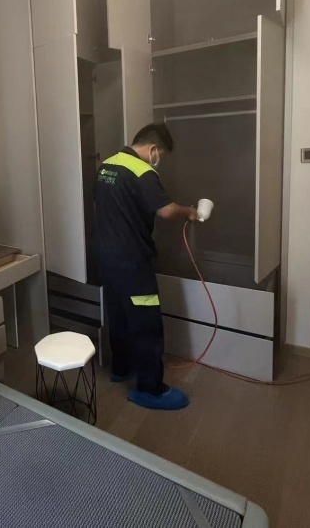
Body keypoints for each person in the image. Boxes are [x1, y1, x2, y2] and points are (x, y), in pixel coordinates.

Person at [94, 123, 197, 410]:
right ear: (153, 149)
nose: (158, 160)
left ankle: (121, 368)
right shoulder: (142, 171)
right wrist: (189, 211)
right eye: (160, 154)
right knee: (145, 322)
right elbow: (166, 211)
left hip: (107, 257)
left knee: (118, 314)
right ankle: (149, 389)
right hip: (133, 262)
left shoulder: (107, 165)